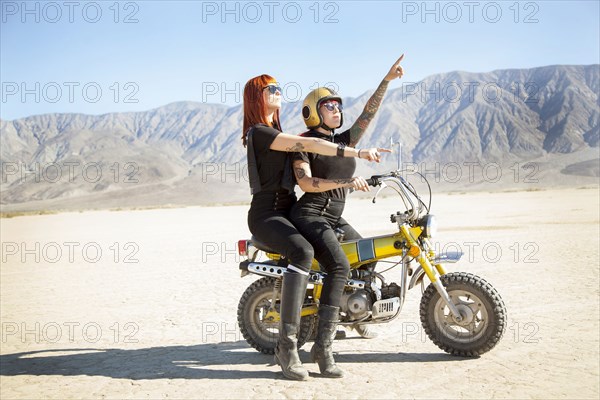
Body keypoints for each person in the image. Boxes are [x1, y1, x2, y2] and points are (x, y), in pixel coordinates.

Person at [242, 74, 386, 381]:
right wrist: (358, 153)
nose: (279, 92)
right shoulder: (260, 133)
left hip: (288, 210)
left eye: (279, 88)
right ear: (256, 96)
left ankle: (329, 340)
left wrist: (386, 79)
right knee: (303, 252)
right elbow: (309, 144)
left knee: (353, 259)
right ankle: (288, 347)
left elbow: (355, 123)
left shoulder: (276, 132)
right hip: (266, 213)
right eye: (272, 89)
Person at [289, 55, 405, 378]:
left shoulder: (344, 142)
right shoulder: (303, 144)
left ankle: (355, 317)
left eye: (339, 105)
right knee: (339, 264)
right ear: (313, 112)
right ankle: (322, 347)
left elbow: (368, 113)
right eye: (329, 105)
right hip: (310, 215)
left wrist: (386, 80)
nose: (337, 110)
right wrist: (345, 182)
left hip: (334, 219)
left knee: (367, 256)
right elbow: (306, 183)